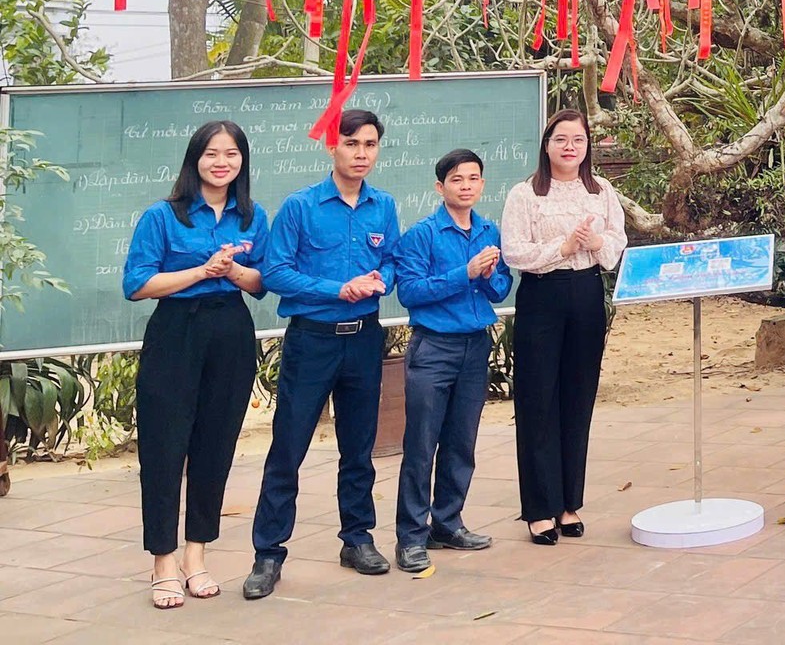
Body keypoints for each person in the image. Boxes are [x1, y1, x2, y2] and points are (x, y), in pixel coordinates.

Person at [243, 108, 400, 601]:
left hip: (365, 339)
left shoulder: (384, 206)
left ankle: (357, 539)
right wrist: (340, 288)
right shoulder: (301, 206)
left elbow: (393, 259)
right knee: (288, 448)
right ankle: (268, 553)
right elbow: (275, 273)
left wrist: (380, 280)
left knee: (360, 447)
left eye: (370, 145)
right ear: (332, 146)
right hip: (312, 339)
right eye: (352, 144)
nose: (361, 154)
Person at [124, 121, 269, 610]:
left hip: (230, 331)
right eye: (211, 153)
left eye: (231, 154)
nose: (221, 162)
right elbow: (138, 284)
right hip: (175, 332)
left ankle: (196, 555)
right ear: (195, 160)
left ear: (242, 162)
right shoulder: (163, 217)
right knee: (165, 448)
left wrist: (233, 271)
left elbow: (260, 283)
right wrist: (200, 272)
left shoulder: (252, 217)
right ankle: (162, 561)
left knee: (215, 445)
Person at [501, 108, 627, 542]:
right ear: (547, 145)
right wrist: (564, 246)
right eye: (561, 139)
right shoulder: (525, 194)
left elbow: (616, 243)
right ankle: (539, 508)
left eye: (577, 139)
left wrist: (596, 244)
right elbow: (514, 252)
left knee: (578, 399)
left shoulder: (602, 190)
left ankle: (569, 502)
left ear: (587, 145)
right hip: (542, 296)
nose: (570, 147)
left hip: (588, 296)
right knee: (538, 401)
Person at [391, 148, 514, 572]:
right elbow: (409, 292)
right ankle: (410, 536)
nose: (466, 186)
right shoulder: (422, 234)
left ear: (482, 184)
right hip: (434, 347)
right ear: (440, 187)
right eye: (457, 180)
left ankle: (447, 522)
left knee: (462, 441)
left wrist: (490, 273)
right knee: (422, 443)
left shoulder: (488, 229)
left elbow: (500, 289)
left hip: (475, 346)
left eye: (474, 178)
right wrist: (464, 272)